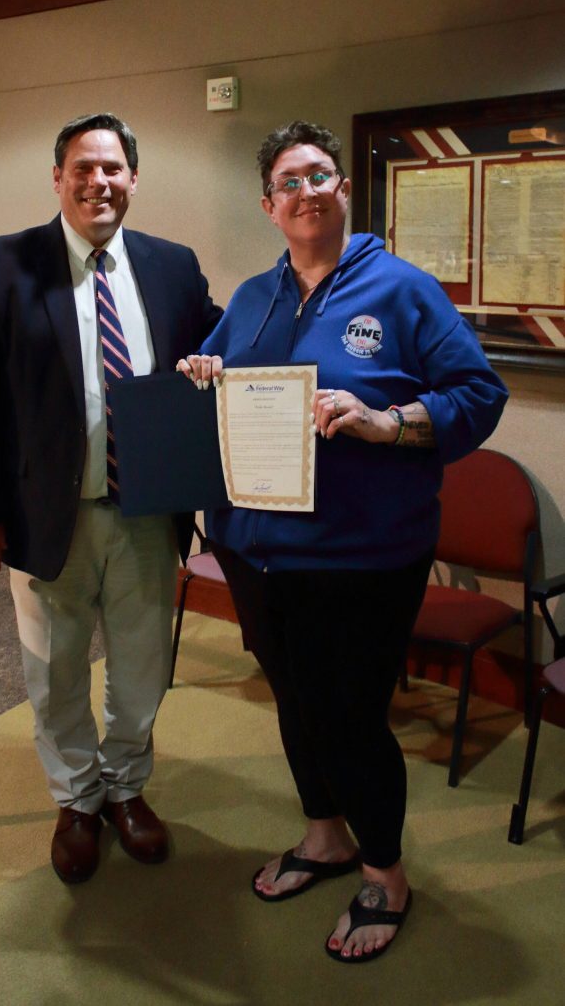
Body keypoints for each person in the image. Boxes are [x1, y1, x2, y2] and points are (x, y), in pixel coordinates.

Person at [178, 120, 507, 962]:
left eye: (319, 174)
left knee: (351, 719)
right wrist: (201, 373)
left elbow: (478, 389)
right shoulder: (253, 296)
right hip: (255, 552)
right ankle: (324, 835)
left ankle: (386, 872)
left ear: (344, 189)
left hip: (362, 558)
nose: (305, 191)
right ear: (269, 205)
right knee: (294, 701)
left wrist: (388, 421)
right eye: (288, 182)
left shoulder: (401, 290)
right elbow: (215, 379)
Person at [0, 112, 221, 884]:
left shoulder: (172, 266)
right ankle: (76, 798)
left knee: (139, 667)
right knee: (55, 669)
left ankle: (127, 788)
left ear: (133, 178)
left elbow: (217, 345)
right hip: (43, 517)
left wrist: (216, 361)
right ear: (58, 179)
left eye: (114, 168)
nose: (99, 181)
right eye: (83, 168)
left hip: (147, 514)